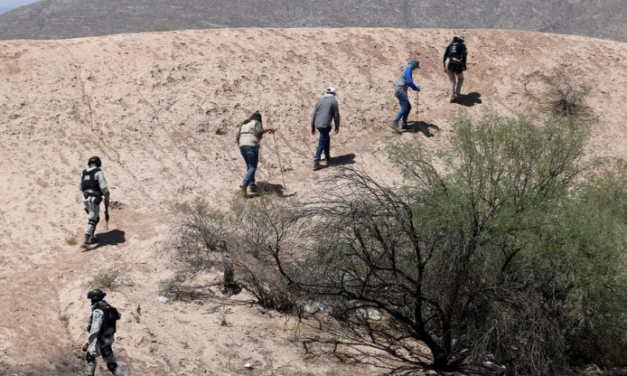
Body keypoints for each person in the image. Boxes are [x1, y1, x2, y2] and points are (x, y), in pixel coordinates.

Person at [82, 289, 123, 376]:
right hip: (109, 338)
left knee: (111, 364)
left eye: (92, 299)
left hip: (103, 341)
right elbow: (117, 316)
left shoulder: (98, 310)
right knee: (90, 355)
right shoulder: (108, 307)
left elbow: (95, 329)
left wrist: (87, 342)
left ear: (95, 299)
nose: (91, 301)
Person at [236, 111, 276, 197]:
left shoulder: (244, 124)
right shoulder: (257, 122)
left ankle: (252, 186)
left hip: (242, 146)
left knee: (249, 166)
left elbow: (237, 137)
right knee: (253, 167)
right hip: (251, 146)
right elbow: (259, 131)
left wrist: (242, 144)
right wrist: (269, 129)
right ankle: (245, 183)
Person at [79, 156, 110, 249]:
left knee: (95, 217)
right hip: (94, 199)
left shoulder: (84, 172)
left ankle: (92, 237)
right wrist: (107, 197)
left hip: (85, 198)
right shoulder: (98, 172)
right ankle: (86, 240)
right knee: (92, 219)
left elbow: (80, 187)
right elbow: (103, 187)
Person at [311, 87, 341, 171]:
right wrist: (337, 125)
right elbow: (336, 115)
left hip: (318, 124)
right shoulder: (333, 101)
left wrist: (312, 126)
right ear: (334, 94)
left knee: (326, 139)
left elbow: (314, 114)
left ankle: (328, 158)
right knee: (322, 141)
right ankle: (316, 161)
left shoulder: (319, 101)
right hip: (325, 125)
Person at [391, 59, 421, 132]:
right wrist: (415, 88)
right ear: (413, 65)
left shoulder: (406, 69)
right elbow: (409, 81)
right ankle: (394, 123)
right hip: (401, 90)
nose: (415, 68)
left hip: (399, 90)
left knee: (408, 107)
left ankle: (404, 124)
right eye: (416, 67)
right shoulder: (408, 70)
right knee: (404, 108)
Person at [443, 34, 468, 103]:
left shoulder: (450, 45)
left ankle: (451, 97)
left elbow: (445, 56)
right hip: (456, 62)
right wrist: (464, 64)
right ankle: (457, 93)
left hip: (447, 62)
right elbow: (464, 55)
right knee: (461, 78)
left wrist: (444, 66)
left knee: (452, 81)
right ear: (461, 40)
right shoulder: (462, 45)